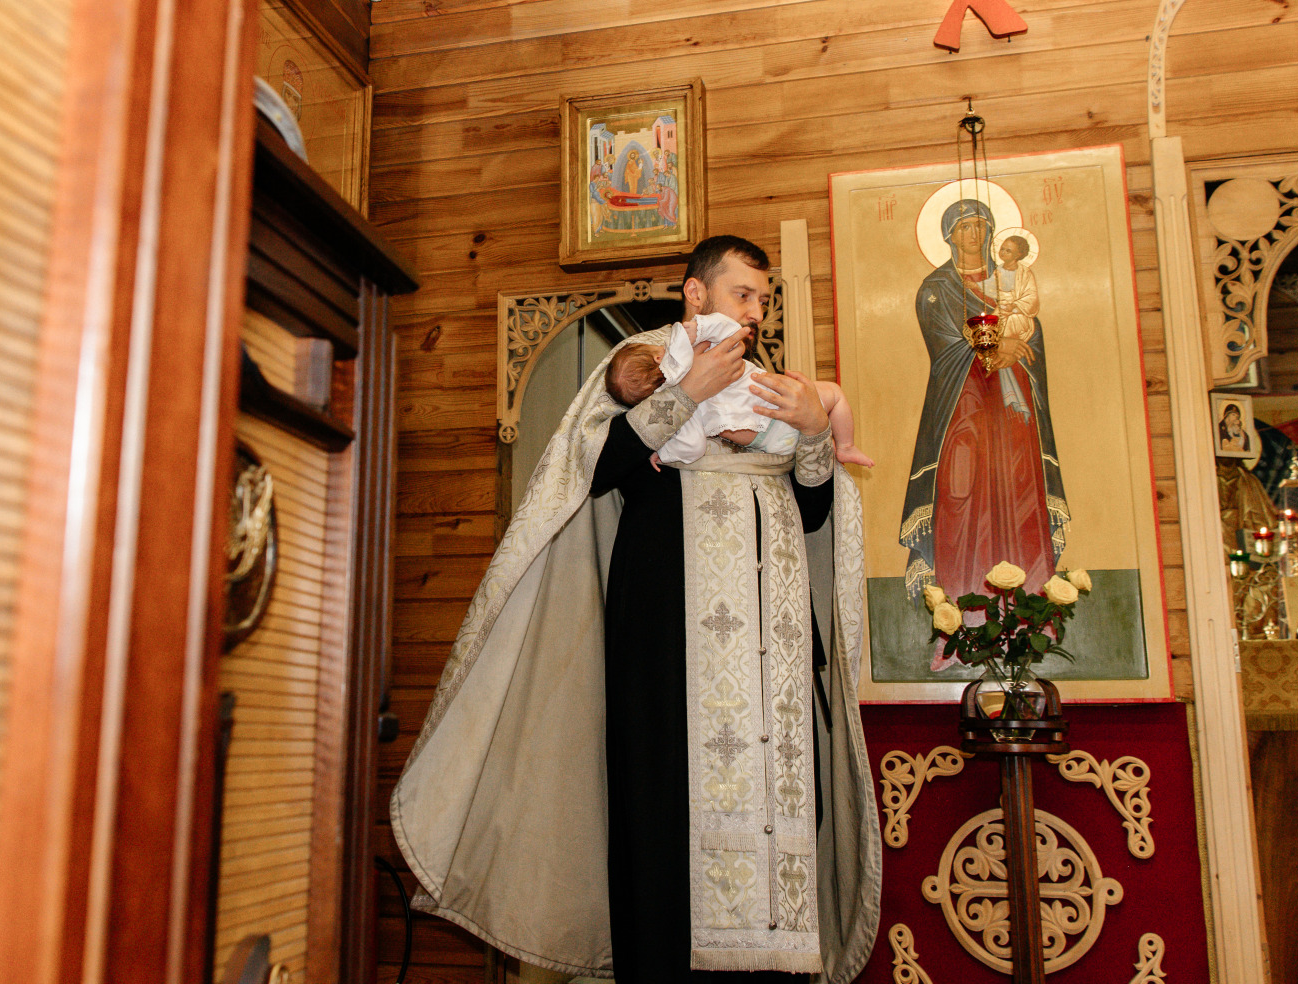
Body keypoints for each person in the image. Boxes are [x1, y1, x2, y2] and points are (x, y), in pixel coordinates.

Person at [391, 235, 881, 984]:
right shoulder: (645, 367)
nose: (753, 313)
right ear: (695, 293)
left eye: (761, 299)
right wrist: (683, 396)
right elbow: (593, 470)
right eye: (741, 293)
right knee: (660, 815)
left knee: (786, 806)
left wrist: (814, 435)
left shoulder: (772, 385)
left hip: (774, 652)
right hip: (666, 638)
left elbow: (814, 515)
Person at [899, 198, 1068, 667]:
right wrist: (995, 347)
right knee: (961, 497)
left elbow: (1032, 344)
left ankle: (1030, 619)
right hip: (965, 409)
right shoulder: (937, 288)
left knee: (1018, 495)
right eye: (965, 226)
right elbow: (943, 349)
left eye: (982, 226)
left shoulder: (1012, 284)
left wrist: (1016, 346)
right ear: (949, 234)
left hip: (1012, 415)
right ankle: (959, 623)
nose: (974, 234)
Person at [604, 312, 873, 468]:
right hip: (782, 409)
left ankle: (837, 445)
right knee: (835, 394)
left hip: (771, 446)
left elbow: (692, 447)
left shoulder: (681, 411)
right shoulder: (689, 346)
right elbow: (733, 331)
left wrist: (662, 453)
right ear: (656, 357)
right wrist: (700, 327)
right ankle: (846, 446)